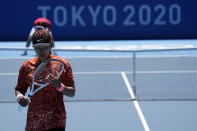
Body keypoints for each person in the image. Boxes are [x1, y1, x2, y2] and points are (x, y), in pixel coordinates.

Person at [15, 29, 75, 131]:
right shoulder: (26, 67)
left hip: (56, 122)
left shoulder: (62, 64)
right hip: (33, 122)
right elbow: (19, 89)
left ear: (51, 46)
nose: (41, 51)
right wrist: (20, 97)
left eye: (44, 47)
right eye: (38, 48)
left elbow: (72, 92)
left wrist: (59, 86)